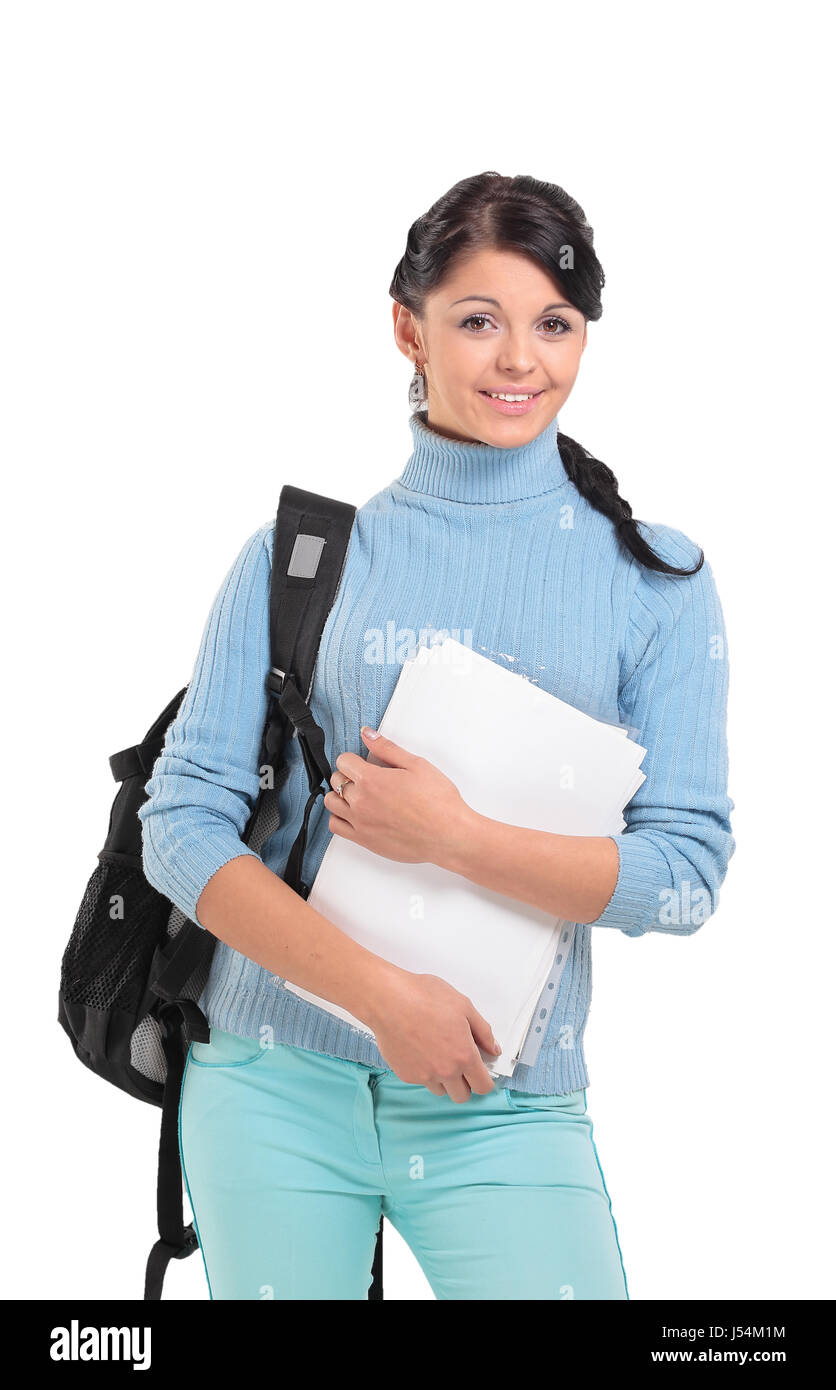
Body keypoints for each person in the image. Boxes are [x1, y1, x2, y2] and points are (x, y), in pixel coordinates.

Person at [139, 170, 736, 1300]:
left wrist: (453, 836)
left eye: (552, 324)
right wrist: (380, 996)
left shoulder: (655, 583)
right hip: (268, 1084)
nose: (519, 360)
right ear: (407, 331)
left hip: (502, 1103)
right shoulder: (301, 558)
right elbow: (182, 827)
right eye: (478, 321)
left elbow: (684, 877)